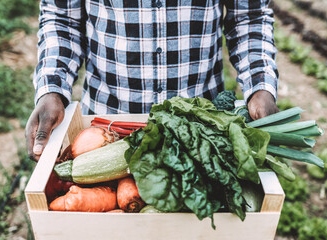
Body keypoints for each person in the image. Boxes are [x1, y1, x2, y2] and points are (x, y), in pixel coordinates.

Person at [26, 0, 279, 161]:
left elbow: (249, 17)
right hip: (106, 131)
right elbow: (63, 19)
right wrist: (53, 89)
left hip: (203, 136)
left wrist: (260, 87)